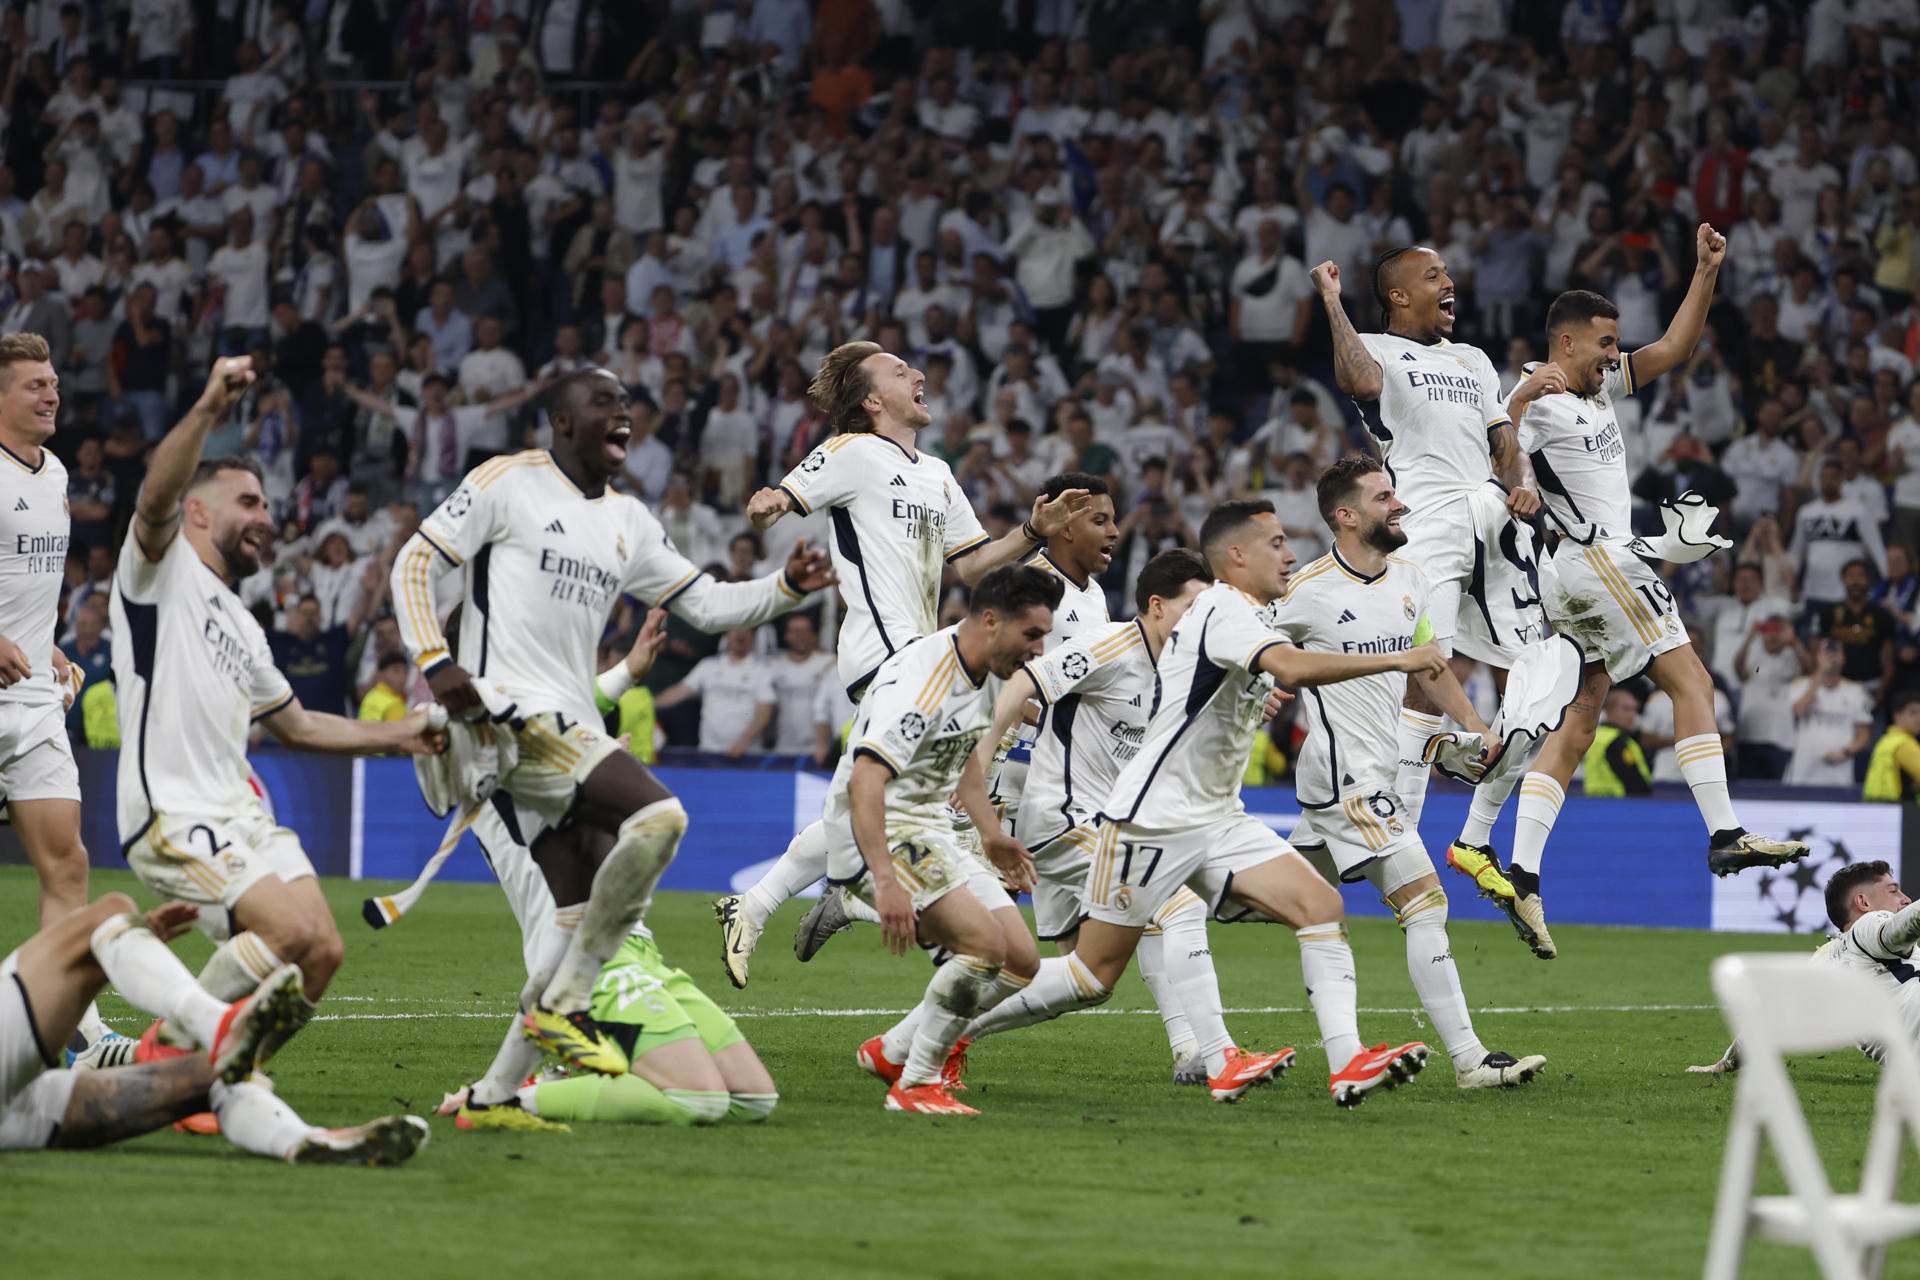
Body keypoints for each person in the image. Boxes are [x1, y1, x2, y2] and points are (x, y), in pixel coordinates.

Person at [387, 367, 830, 1128]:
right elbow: (415, 563)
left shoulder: (629, 521)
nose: (623, 413)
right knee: (658, 818)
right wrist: (437, 667)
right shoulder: (506, 483)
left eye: (628, 405)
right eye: (604, 403)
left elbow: (710, 604)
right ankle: (565, 1005)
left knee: (577, 911)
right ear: (560, 421)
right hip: (506, 721)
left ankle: (500, 1090)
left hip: (564, 728)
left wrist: (783, 587)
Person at [959, 501, 1445, 1108]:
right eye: (1275, 542)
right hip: (1139, 818)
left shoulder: (1236, 621)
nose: (1290, 554)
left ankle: (1345, 1062)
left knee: (1319, 904)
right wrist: (1401, 657)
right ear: (1236, 556)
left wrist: (1251, 690)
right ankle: (938, 1031)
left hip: (1210, 816)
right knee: (1101, 967)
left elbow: (1239, 680)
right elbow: (1290, 667)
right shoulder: (1212, 612)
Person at [712, 341, 1089, 987]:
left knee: (879, 792)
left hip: (930, 652)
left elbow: (969, 565)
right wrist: (767, 505)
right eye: (898, 370)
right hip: (883, 654)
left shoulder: (938, 473)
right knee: (925, 799)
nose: (917, 374)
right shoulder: (850, 453)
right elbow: (779, 495)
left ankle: (770, 902)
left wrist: (1031, 534)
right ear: (871, 399)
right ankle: (863, 897)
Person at [112, 356, 446, 1072]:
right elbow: (153, 498)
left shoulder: (244, 622)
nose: (267, 518)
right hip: (173, 810)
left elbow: (298, 726)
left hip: (243, 813)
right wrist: (206, 408)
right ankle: (173, 1055)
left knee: (322, 951)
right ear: (198, 511)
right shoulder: (157, 574)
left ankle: (225, 1080)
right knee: (290, 932)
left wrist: (403, 733)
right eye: (250, 503)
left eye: (266, 506)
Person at [1504, 228, 1807, 957]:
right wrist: (1515, 408)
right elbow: (1498, 449)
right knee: (1691, 679)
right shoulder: (1539, 394)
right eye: (1605, 343)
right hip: (1597, 560)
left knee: (1578, 728)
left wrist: (1705, 272)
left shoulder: (1596, 385)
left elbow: (1673, 350)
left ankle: (1522, 873)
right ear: (1568, 343)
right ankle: (1726, 834)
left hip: (1573, 580)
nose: (1616, 354)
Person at [932, 549, 1275, 1088]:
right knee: (1176, 905)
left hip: (1117, 825)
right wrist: (985, 754)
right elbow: (1025, 684)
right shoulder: (1110, 646)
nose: (1205, 617)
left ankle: (941, 1035)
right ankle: (1219, 1055)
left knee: (1086, 979)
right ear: (1157, 606)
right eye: (1195, 605)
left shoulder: (1193, 665)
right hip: (1065, 819)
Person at [1264, 457, 1546, 1088]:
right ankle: (1471, 1060)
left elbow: (1429, 666)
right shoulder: (1305, 590)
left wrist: (1475, 725)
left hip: (1366, 775)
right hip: (1347, 778)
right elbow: (1252, 654)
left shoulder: (1413, 579)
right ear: (1345, 515)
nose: (1398, 504)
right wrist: (1260, 691)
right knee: (1426, 903)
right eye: (1383, 496)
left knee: (1267, 902)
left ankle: (1167, 898)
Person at [1309, 248, 1540, 928]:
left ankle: (1475, 822)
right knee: (1427, 664)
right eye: (1434, 276)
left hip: (1490, 517)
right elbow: (1356, 379)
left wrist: (1520, 482)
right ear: (1399, 296)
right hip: (1430, 520)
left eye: (1447, 275)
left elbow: (1503, 440)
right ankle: (1402, 831)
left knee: (1543, 667)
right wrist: (1332, 304)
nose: (1450, 284)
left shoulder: (1473, 358)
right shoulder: (1375, 345)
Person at [824, 565, 1061, 1115]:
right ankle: (916, 1084)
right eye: (1032, 635)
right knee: (983, 947)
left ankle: (894, 1053)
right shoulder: (924, 681)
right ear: (989, 620)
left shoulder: (988, 671)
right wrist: (883, 880)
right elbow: (865, 779)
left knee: (1021, 961)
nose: (1038, 650)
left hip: (928, 825)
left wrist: (992, 833)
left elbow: (963, 761)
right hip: (878, 827)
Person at [1, 892, 426, 1162]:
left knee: (214, 1073)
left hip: (22, 1115)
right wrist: (116, 941)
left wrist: (127, 947)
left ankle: (301, 1140)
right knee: (107, 915)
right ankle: (218, 1023)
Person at [0, 332, 108, 1049]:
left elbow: (30, 588)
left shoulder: (56, 474)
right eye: (35, 385)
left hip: (34, 692)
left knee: (67, 859)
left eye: (55, 384)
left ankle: (75, 1026)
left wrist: (49, 646)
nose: (51, 395)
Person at [653, 627, 776, 757]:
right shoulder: (708, 666)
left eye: (747, 630)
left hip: (747, 753)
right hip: (709, 751)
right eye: (735, 630)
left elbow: (764, 713)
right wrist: (648, 704)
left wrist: (743, 742)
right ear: (727, 635)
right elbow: (679, 692)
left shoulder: (763, 670)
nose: (741, 634)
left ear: (753, 636)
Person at [1785, 639, 1873, 787]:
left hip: (1839, 775)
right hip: (1803, 773)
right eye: (1826, 652)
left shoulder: (1856, 691)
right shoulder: (1800, 685)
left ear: (1844, 657)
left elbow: (1864, 734)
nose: (1832, 656)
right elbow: (1799, 712)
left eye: (1836, 652)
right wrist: (1820, 673)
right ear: (1817, 657)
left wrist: (1845, 752)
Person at [767, 614, 834, 756]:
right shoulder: (773, 665)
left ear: (814, 635)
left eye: (806, 631)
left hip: (818, 750)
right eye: (795, 631)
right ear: (786, 635)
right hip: (783, 747)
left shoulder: (829, 663)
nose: (801, 636)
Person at [1863, 692, 1920, 802]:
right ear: (1897, 715)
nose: (1919, 718)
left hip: (1876, 807)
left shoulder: (1885, 741)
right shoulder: (1904, 744)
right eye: (1913, 713)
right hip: (1903, 811)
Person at [357, 651, 411, 721]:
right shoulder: (394, 705)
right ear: (380, 674)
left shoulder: (370, 695)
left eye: (405, 671)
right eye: (396, 671)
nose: (402, 677)